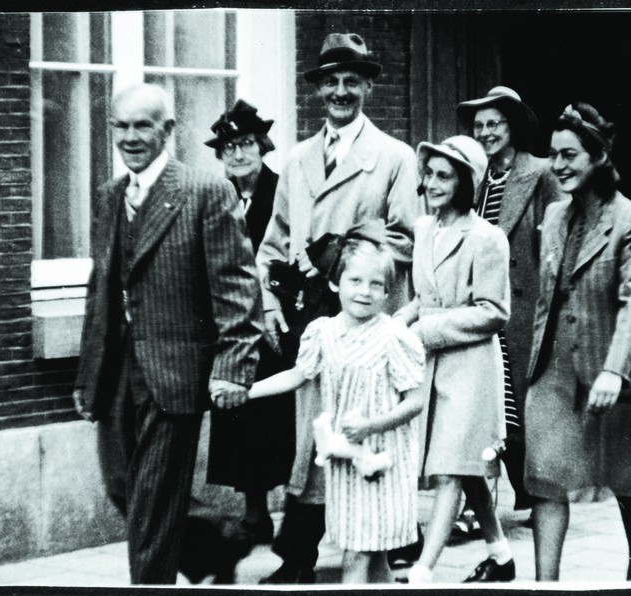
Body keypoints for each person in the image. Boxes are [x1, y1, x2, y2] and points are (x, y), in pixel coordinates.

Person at [71, 83, 263, 585]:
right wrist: (88, 374)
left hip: (174, 371)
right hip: (117, 373)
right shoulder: (111, 196)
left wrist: (233, 366)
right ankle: (215, 545)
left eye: (143, 126)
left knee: (152, 503)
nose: (130, 137)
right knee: (121, 485)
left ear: (168, 130)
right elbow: (102, 289)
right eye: (121, 126)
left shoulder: (204, 190)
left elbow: (237, 286)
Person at [255, 32, 422, 584]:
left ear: (369, 85)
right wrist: (269, 298)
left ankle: (382, 544)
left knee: (360, 432)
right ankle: (298, 556)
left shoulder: (394, 158)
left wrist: (344, 250)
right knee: (310, 434)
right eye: (331, 81)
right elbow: (274, 243)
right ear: (318, 89)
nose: (341, 91)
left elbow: (405, 239)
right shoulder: (297, 159)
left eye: (353, 80)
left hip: (363, 315)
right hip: (310, 315)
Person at [526, 103, 631, 581]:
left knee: (630, 477)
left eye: (570, 154)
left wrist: (613, 370)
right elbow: (546, 298)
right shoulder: (555, 215)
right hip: (554, 367)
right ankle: (545, 584)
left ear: (598, 156)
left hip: (611, 370)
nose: (558, 165)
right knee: (545, 478)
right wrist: (532, 365)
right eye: (554, 154)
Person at [248, 237, 427, 584]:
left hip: (383, 466)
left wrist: (371, 426)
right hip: (345, 470)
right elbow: (298, 375)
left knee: (358, 556)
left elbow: (415, 401)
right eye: (355, 281)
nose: (365, 291)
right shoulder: (324, 333)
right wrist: (249, 392)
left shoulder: (395, 338)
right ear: (335, 283)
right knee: (374, 559)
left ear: (388, 292)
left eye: (377, 284)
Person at [396, 135, 515, 584]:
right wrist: (396, 325)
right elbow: (421, 299)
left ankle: (424, 571)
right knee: (465, 466)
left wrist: (424, 330)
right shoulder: (425, 229)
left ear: (466, 182)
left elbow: (493, 312)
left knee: (449, 466)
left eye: (444, 176)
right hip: (428, 367)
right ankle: (501, 556)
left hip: (470, 369)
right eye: (428, 174)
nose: (432, 183)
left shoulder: (487, 238)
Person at [453, 85, 565, 531]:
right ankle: (475, 506)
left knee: (524, 408)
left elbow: (559, 244)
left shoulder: (540, 174)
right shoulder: (472, 179)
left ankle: (540, 497)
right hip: (483, 308)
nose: (485, 133)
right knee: (485, 408)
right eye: (478, 126)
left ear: (512, 127)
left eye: (494, 124)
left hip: (526, 312)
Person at [202, 99, 294, 543]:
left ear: (263, 147)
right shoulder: (216, 197)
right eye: (229, 147)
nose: (238, 154)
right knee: (241, 416)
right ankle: (254, 512)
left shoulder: (282, 191)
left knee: (279, 418)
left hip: (275, 320)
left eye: (247, 144)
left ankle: (294, 515)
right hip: (232, 327)